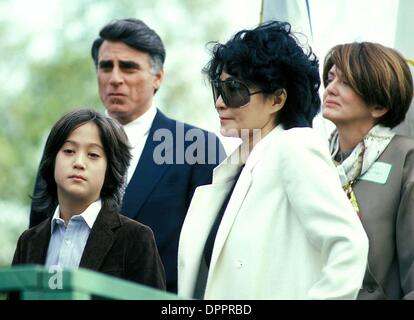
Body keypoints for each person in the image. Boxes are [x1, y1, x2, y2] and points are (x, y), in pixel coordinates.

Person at [29, 19, 225, 293]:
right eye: (106, 66)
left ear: (158, 77)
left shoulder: (193, 146)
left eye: (129, 67)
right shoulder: (66, 143)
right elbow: (37, 237)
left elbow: (213, 251)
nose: (115, 78)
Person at [177, 21, 369, 299]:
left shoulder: (294, 147)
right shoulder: (237, 167)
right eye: (218, 89)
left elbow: (349, 246)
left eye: (234, 90)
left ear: (277, 99)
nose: (220, 102)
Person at [13, 109, 166, 289]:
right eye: (69, 150)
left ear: (110, 169)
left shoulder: (135, 238)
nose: (79, 162)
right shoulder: (28, 241)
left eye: (93, 155)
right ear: (52, 160)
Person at [321, 42, 414, 299]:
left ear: (379, 106)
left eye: (346, 83)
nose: (330, 89)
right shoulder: (315, 159)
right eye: (330, 79)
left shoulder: (406, 159)